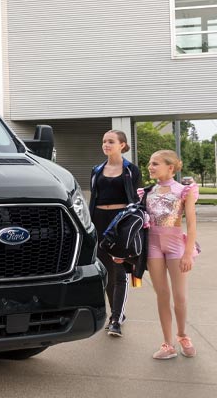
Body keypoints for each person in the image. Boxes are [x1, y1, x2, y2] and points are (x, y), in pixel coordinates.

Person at [141, 150, 199, 360]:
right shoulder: (147, 192)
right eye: (150, 163)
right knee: (162, 295)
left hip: (176, 246)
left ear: (171, 168)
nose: (150, 166)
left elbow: (191, 224)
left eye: (155, 163)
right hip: (153, 246)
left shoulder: (184, 191)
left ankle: (182, 335)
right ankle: (168, 344)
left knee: (180, 296)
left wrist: (187, 253)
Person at [88, 130, 141, 337]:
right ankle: (115, 313)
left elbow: (135, 202)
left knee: (119, 271)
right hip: (99, 222)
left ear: (122, 145)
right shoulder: (96, 170)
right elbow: (93, 199)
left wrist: (133, 229)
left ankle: (116, 318)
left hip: (120, 223)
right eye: (103, 141)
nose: (106, 145)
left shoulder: (131, 170)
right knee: (105, 271)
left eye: (110, 141)